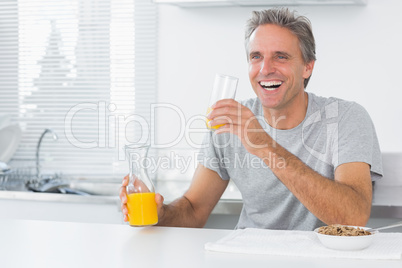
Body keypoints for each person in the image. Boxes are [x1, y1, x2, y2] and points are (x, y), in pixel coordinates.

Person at [119, 8, 383, 230]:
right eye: (256, 57)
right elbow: (195, 209)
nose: (265, 69)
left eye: (281, 56)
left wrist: (265, 146)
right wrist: (161, 213)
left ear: (307, 67)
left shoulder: (345, 118)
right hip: (248, 257)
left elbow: (353, 218)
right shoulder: (229, 121)